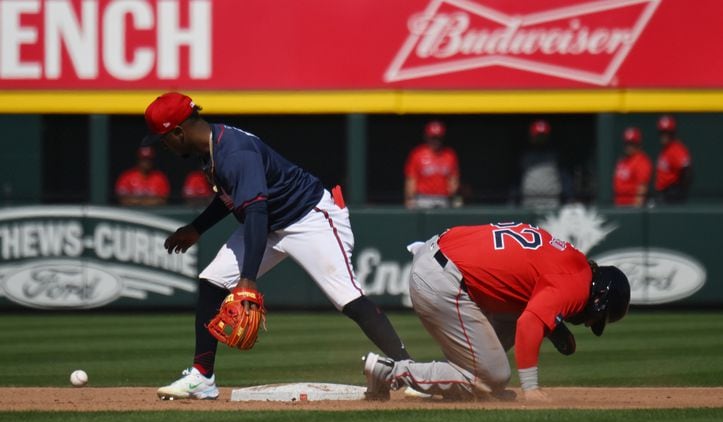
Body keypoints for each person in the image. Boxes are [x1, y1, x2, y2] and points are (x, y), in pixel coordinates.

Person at [141, 92, 410, 400]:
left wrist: (247, 280)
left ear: (178, 131)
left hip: (310, 218)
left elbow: (255, 211)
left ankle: (410, 370)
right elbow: (236, 198)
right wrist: (197, 227)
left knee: (347, 297)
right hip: (269, 223)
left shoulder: (234, 152)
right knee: (212, 281)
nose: (162, 145)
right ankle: (202, 377)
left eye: (163, 138)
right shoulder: (212, 148)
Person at [363, 222, 630, 402]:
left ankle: (473, 384)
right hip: (443, 279)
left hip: (439, 255)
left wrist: (552, 323)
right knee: (494, 376)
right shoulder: (578, 283)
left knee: (487, 376)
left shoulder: (570, 259)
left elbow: (526, 296)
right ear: (599, 299)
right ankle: (391, 371)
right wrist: (531, 388)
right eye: (596, 318)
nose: (588, 322)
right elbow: (528, 323)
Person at [404, 120, 460, 209]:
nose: (436, 141)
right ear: (427, 137)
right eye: (433, 138)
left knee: (444, 222)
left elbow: (454, 179)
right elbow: (411, 179)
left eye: (438, 138)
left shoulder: (449, 155)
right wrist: (409, 198)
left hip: (443, 198)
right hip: (423, 199)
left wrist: (452, 196)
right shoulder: (418, 154)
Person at [518, 119, 564, 210]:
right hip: (529, 203)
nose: (540, 139)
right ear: (531, 137)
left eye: (543, 136)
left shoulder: (555, 156)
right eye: (537, 136)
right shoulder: (524, 156)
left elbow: (565, 179)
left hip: (552, 203)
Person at [654, 115, 692, 204]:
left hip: (671, 195)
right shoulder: (665, 150)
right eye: (662, 132)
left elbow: (687, 173)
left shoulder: (677, 149)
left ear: (672, 133)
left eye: (667, 133)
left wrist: (677, 192)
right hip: (663, 194)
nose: (664, 136)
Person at [613, 127, 653, 207]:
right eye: (627, 143)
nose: (629, 146)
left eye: (632, 143)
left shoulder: (642, 161)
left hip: (630, 208)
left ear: (638, 144)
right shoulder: (623, 161)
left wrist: (635, 212)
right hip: (618, 206)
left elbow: (641, 189)